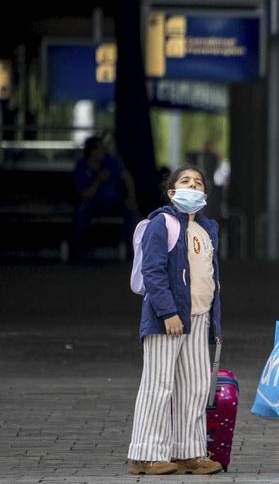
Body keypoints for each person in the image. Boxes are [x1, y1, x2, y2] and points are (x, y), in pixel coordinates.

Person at [126, 166, 223, 475]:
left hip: (199, 316)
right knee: (159, 384)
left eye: (197, 183)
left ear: (205, 195)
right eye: (185, 182)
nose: (192, 186)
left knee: (195, 385)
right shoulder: (161, 223)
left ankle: (189, 451)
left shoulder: (207, 229)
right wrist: (168, 313)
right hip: (166, 319)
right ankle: (145, 453)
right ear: (171, 192)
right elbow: (153, 273)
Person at [72, 135, 137, 260]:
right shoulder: (82, 166)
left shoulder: (111, 161)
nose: (104, 151)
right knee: (81, 211)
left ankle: (130, 250)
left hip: (115, 202)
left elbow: (127, 178)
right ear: (92, 152)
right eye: (100, 148)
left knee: (131, 211)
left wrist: (131, 198)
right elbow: (85, 194)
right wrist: (98, 180)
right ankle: (81, 251)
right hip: (93, 204)